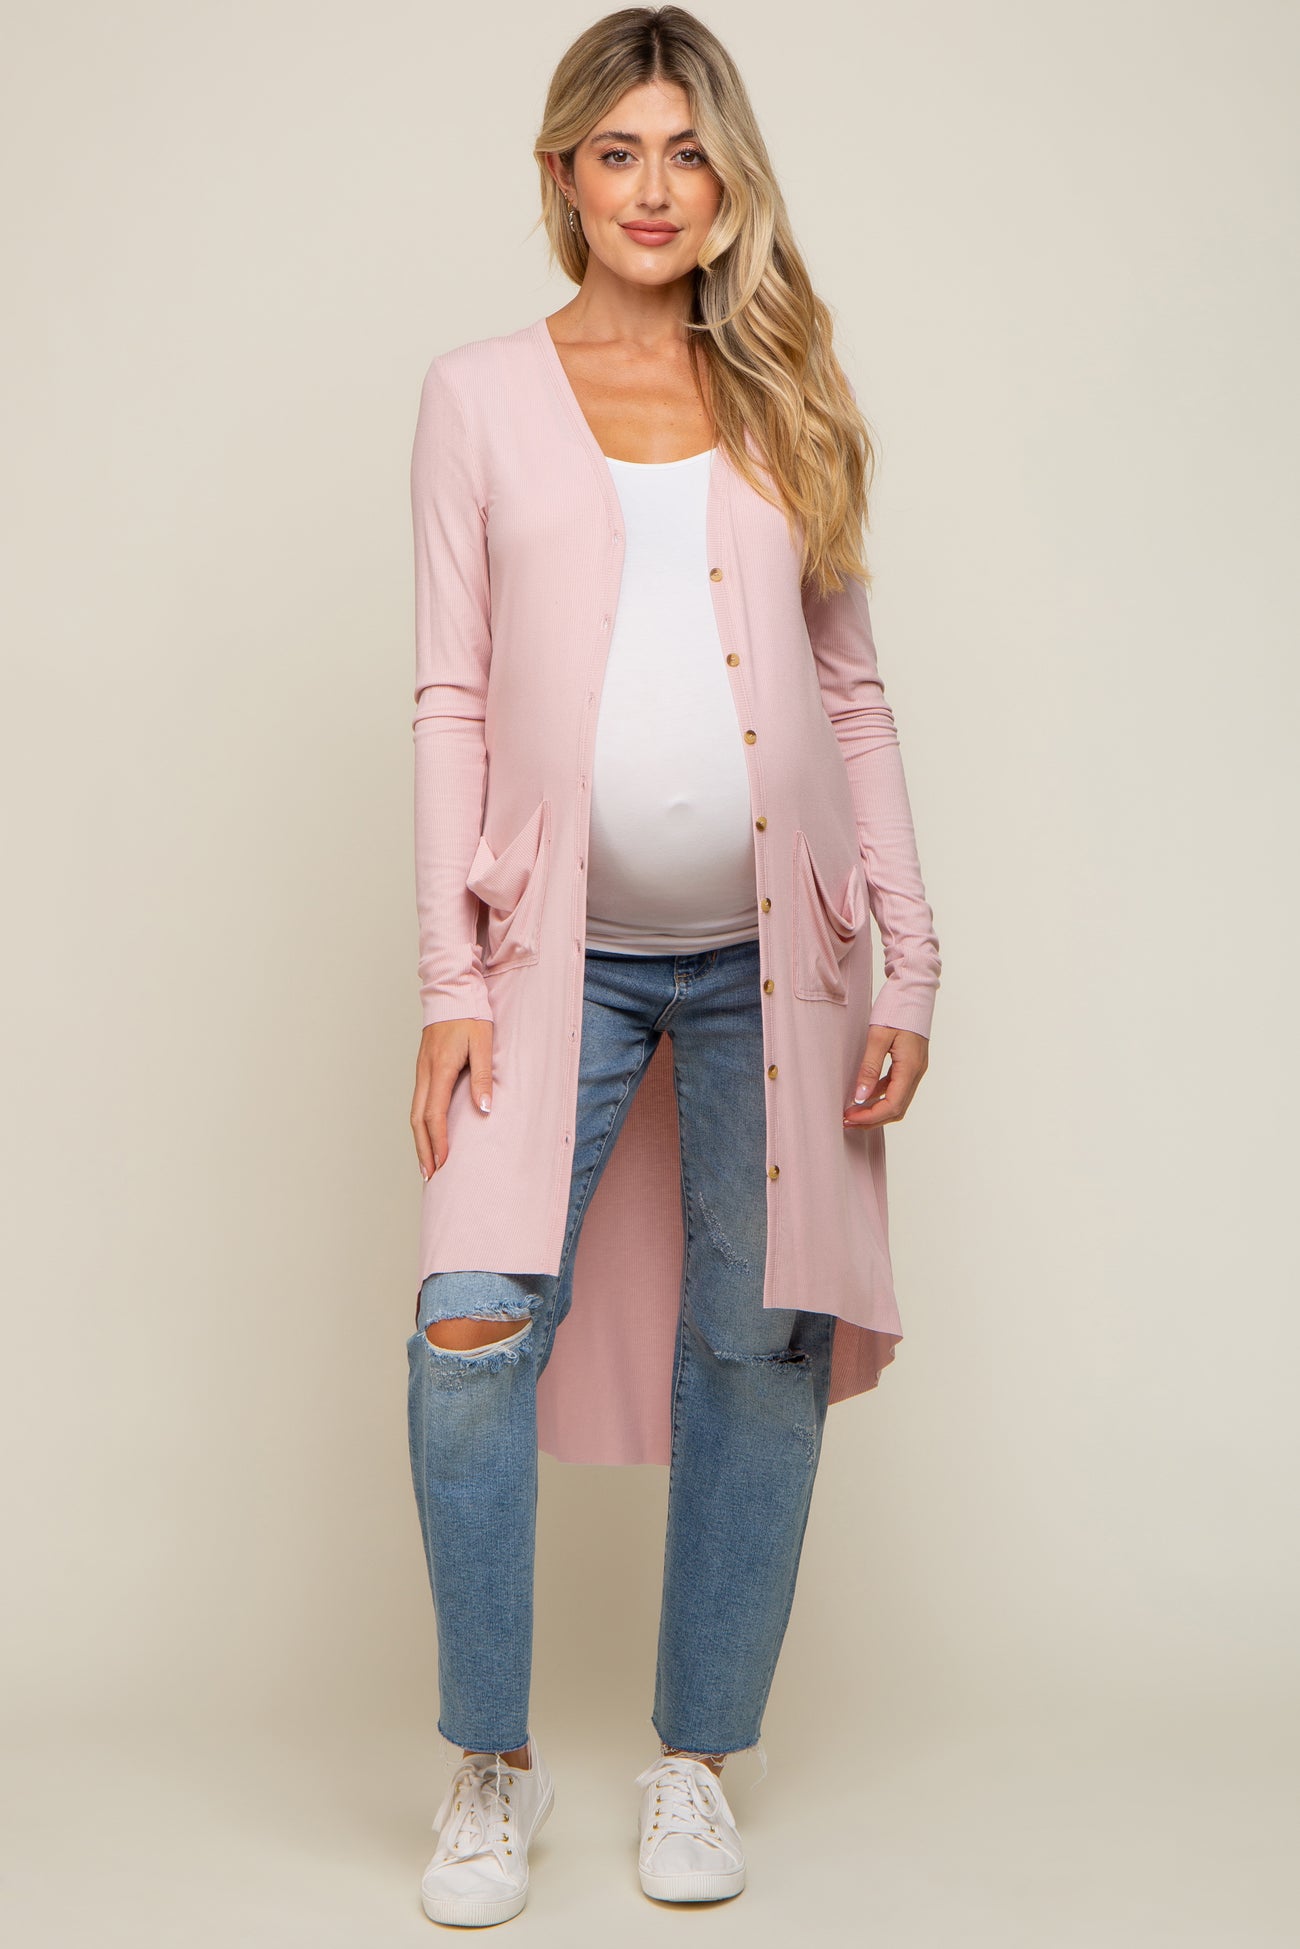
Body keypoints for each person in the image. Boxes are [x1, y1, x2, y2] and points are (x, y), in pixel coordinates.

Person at [404, 6, 941, 1926]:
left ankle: (697, 1761)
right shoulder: (478, 394)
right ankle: (491, 1762)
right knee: (471, 1328)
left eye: (687, 151)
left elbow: (854, 693)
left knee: (756, 1344)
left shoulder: (791, 383)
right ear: (563, 174)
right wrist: (450, 978)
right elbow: (449, 693)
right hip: (551, 963)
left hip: (776, 968)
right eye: (617, 151)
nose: (653, 188)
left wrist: (909, 965)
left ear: (730, 180)